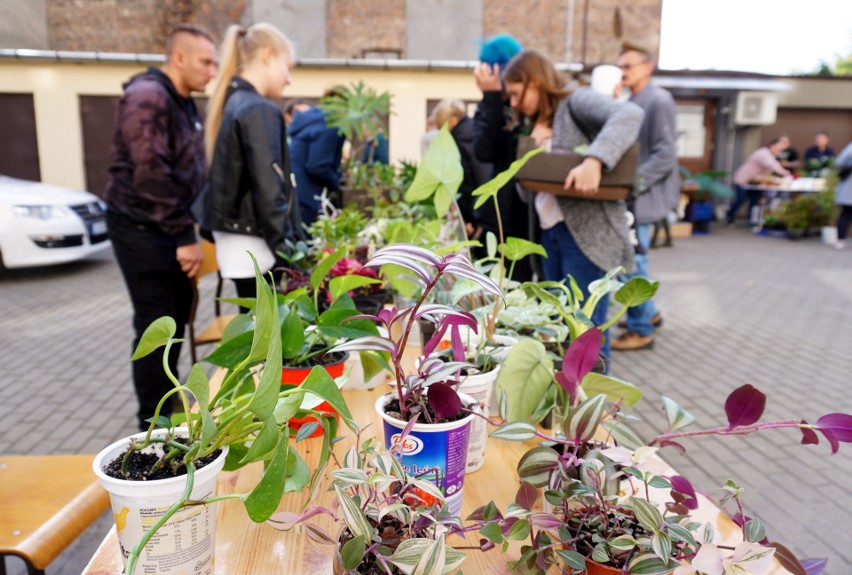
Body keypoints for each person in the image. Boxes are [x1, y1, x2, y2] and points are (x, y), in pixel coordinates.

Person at [104, 24, 217, 431]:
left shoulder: (183, 101)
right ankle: (151, 424)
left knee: (172, 322)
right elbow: (150, 171)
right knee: (156, 327)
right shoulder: (148, 96)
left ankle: (168, 412)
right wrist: (184, 237)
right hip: (142, 230)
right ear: (179, 58)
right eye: (206, 61)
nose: (212, 71)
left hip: (169, 229)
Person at [502, 49, 644, 359]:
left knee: (585, 336)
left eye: (515, 93)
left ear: (535, 82)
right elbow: (532, 193)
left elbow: (630, 114)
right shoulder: (536, 123)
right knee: (560, 331)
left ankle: (593, 407)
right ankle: (568, 407)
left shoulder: (575, 102)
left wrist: (595, 160)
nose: (513, 103)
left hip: (585, 238)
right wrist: (534, 151)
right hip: (549, 235)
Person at [201, 23, 303, 301]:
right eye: (288, 67)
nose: (289, 79)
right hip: (256, 246)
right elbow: (269, 191)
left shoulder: (233, 101)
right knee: (265, 338)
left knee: (254, 331)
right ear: (268, 55)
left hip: (239, 245)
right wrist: (293, 257)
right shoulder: (258, 109)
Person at [610, 43, 679, 352]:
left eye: (628, 66)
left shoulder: (658, 99)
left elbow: (666, 154)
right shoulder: (634, 99)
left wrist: (633, 183)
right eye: (621, 66)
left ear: (647, 67)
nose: (623, 72)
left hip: (642, 197)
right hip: (635, 197)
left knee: (632, 264)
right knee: (634, 262)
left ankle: (641, 328)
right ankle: (648, 315)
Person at [471, 33, 535, 280]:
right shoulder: (488, 105)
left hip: (525, 216)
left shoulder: (531, 105)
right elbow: (485, 151)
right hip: (496, 215)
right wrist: (492, 98)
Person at [430, 98, 491, 254]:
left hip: (478, 212)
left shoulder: (457, 141)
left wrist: (467, 218)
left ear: (452, 121)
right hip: (491, 207)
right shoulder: (477, 132)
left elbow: (464, 183)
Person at [287, 98, 346, 226]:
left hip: (296, 191)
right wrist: (336, 181)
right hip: (308, 196)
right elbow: (318, 166)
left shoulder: (312, 122)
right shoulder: (332, 124)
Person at [726, 136, 791, 225]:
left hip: (755, 183)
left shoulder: (771, 156)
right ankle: (729, 216)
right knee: (740, 199)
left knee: (754, 202)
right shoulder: (763, 153)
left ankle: (752, 221)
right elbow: (771, 164)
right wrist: (784, 172)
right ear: (772, 145)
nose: (779, 151)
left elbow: (773, 166)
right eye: (778, 148)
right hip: (743, 180)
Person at [833, 141, 852, 249]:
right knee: (846, 213)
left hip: (848, 188)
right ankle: (840, 240)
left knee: (846, 213)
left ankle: (840, 240)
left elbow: (838, 162)